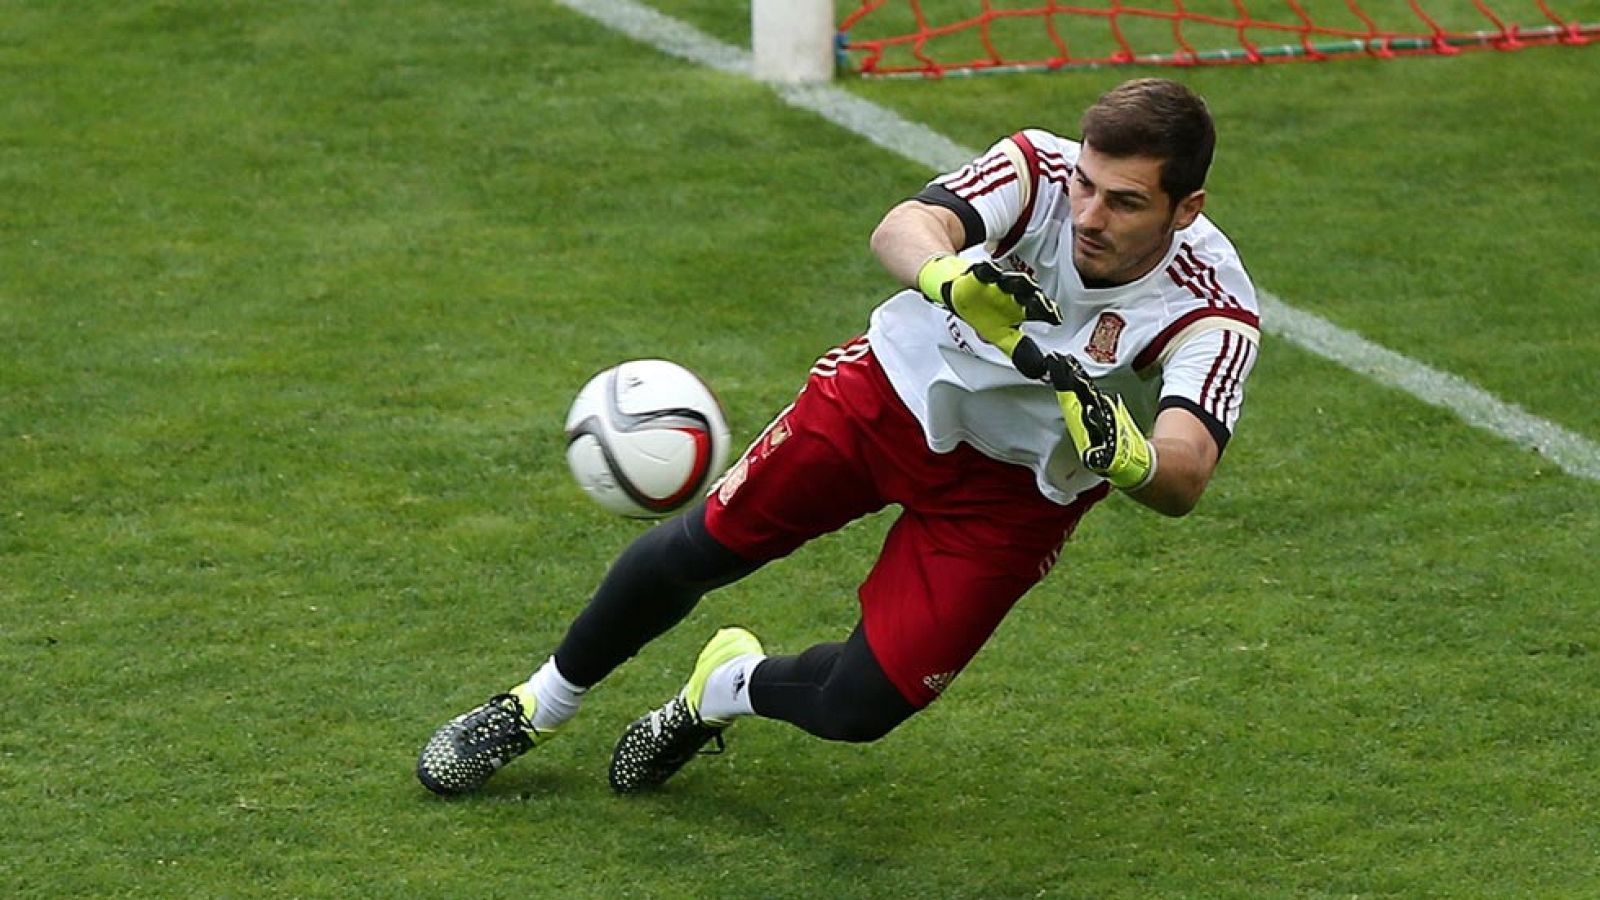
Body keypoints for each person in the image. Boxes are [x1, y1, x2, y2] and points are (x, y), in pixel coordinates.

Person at [416, 77, 1261, 796]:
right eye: (1086, 184)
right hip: (885, 397)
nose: (1089, 215)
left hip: (1014, 496)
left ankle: (721, 689)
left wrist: (1132, 457)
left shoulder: (1213, 306)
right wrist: (949, 277)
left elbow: (1185, 474)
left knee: (860, 707)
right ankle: (536, 706)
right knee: (704, 547)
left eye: (1125, 202)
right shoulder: (1037, 169)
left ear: (1186, 208)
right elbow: (903, 227)